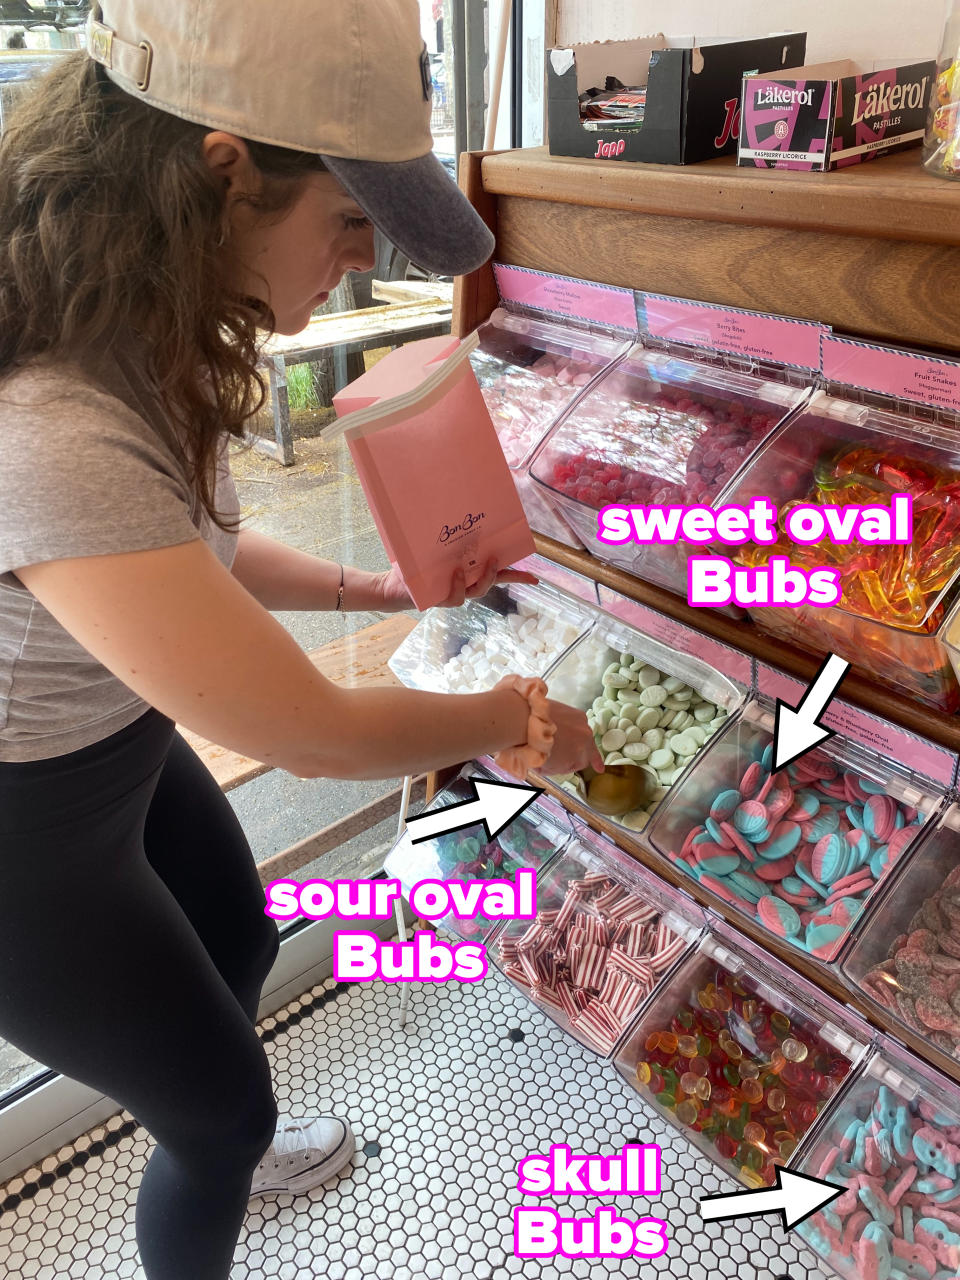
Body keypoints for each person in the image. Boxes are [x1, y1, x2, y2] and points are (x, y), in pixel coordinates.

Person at [0, 2, 601, 1278]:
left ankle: (196, 1125)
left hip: (113, 734)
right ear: (223, 171)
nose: (358, 262)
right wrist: (519, 719)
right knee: (227, 1114)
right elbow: (310, 734)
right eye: (345, 221)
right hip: (19, 825)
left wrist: (372, 591)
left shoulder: (138, 318)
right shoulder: (49, 418)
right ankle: (211, 1151)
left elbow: (185, 552)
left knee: (242, 938)